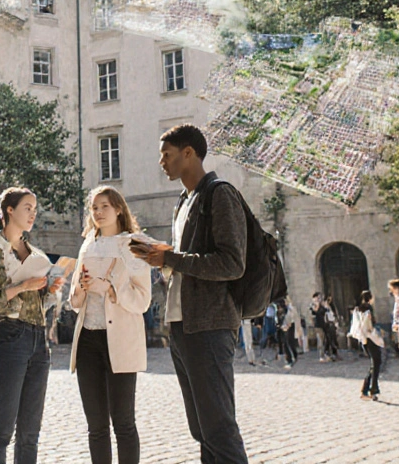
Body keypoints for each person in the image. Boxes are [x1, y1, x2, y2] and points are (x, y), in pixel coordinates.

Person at [130, 124, 250, 464]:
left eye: (166, 155)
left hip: (210, 325)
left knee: (219, 428)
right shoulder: (183, 202)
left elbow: (232, 263)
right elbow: (187, 263)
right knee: (202, 429)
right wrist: (162, 259)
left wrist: (171, 258)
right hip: (181, 325)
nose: (161, 162)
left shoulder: (219, 194)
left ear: (188, 153)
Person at [0, 186, 65, 464]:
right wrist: (22, 286)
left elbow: (38, 304)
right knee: (1, 431)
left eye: (35, 209)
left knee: (30, 434)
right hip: (9, 337)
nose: (33, 214)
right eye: (27, 208)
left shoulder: (36, 254)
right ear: (9, 210)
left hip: (38, 339)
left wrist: (49, 290)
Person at [68, 185, 150, 464]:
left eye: (105, 206)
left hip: (121, 341)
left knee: (124, 422)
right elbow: (74, 301)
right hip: (87, 340)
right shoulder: (87, 244)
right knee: (96, 426)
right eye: (94, 207)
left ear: (118, 209)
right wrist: (80, 289)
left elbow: (142, 300)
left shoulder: (134, 245)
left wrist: (110, 289)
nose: (99, 212)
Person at [349, 290, 384, 400]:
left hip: (364, 340)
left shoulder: (358, 310)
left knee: (375, 364)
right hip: (371, 339)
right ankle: (370, 390)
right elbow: (368, 326)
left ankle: (370, 389)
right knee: (376, 364)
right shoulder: (368, 309)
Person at [276, 298, 297, 369]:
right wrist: (280, 326)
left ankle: (291, 359)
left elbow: (291, 319)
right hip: (283, 328)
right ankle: (290, 358)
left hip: (288, 327)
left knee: (288, 343)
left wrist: (287, 326)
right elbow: (279, 320)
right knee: (285, 343)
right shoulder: (279, 311)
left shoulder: (288, 309)